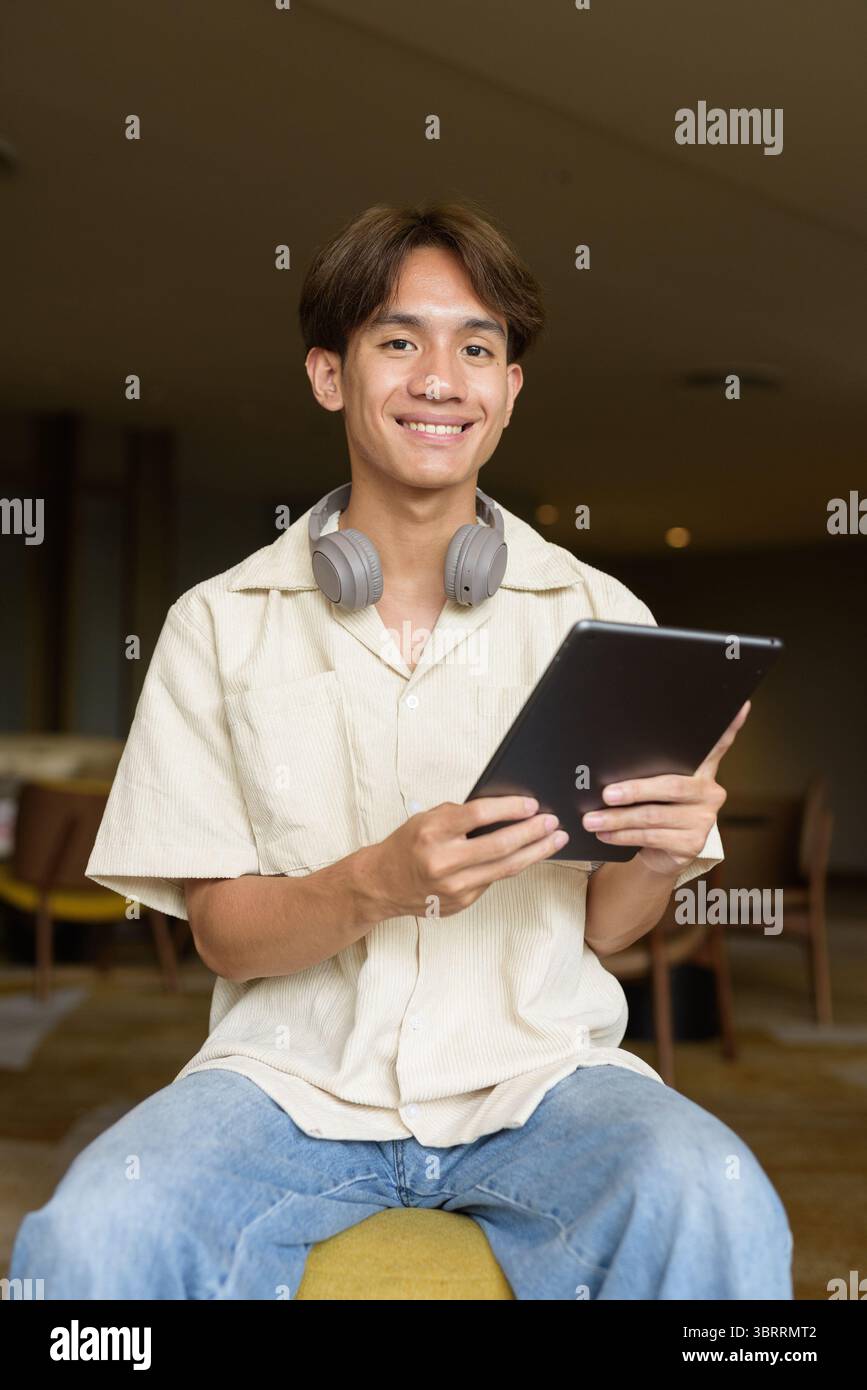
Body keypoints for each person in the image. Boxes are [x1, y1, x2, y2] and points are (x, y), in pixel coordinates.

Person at [10, 201, 793, 1300]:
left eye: (477, 346)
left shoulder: (600, 611)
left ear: (510, 389)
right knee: (90, 1241)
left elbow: (607, 928)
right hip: (286, 1087)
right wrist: (378, 881)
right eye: (399, 340)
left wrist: (659, 858)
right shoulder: (219, 622)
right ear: (330, 374)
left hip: (542, 1083)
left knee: (717, 1195)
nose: (442, 376)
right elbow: (227, 940)